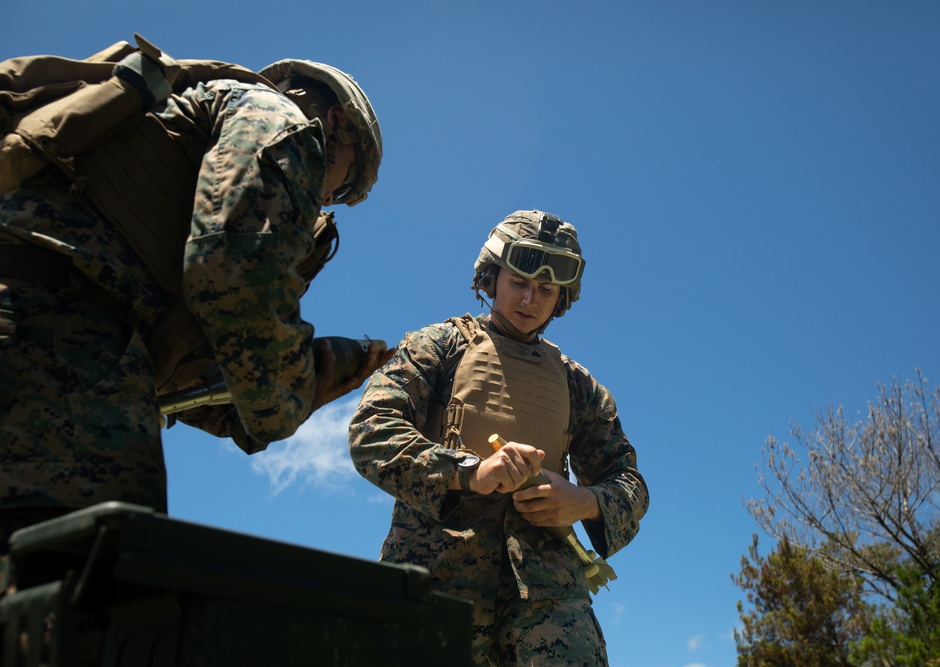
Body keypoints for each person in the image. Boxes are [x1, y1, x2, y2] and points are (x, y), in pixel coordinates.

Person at [0, 41, 391, 553]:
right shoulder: (282, 120)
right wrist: (284, 400)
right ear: (337, 123)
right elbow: (231, 274)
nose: (325, 200)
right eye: (342, 187)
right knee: (80, 593)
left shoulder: (182, 126)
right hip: (58, 337)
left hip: (44, 328)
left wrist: (259, 410)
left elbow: (181, 362)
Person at [349, 209, 649, 666]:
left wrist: (584, 501)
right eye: (519, 282)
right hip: (435, 584)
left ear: (561, 298)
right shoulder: (438, 346)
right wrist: (468, 472)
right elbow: (371, 432)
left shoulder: (578, 386)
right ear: (492, 278)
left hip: (551, 606)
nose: (530, 298)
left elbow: (629, 483)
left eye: (546, 290)